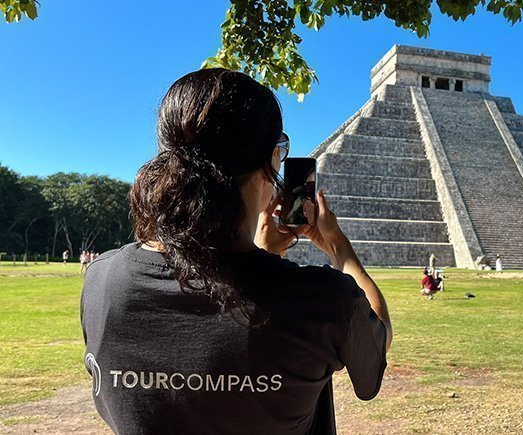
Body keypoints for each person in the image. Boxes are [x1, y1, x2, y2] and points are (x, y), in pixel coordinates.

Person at [80, 69, 391, 434]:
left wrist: (263, 256)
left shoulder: (103, 280)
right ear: (270, 163)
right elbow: (376, 345)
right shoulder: (323, 298)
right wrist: (339, 248)